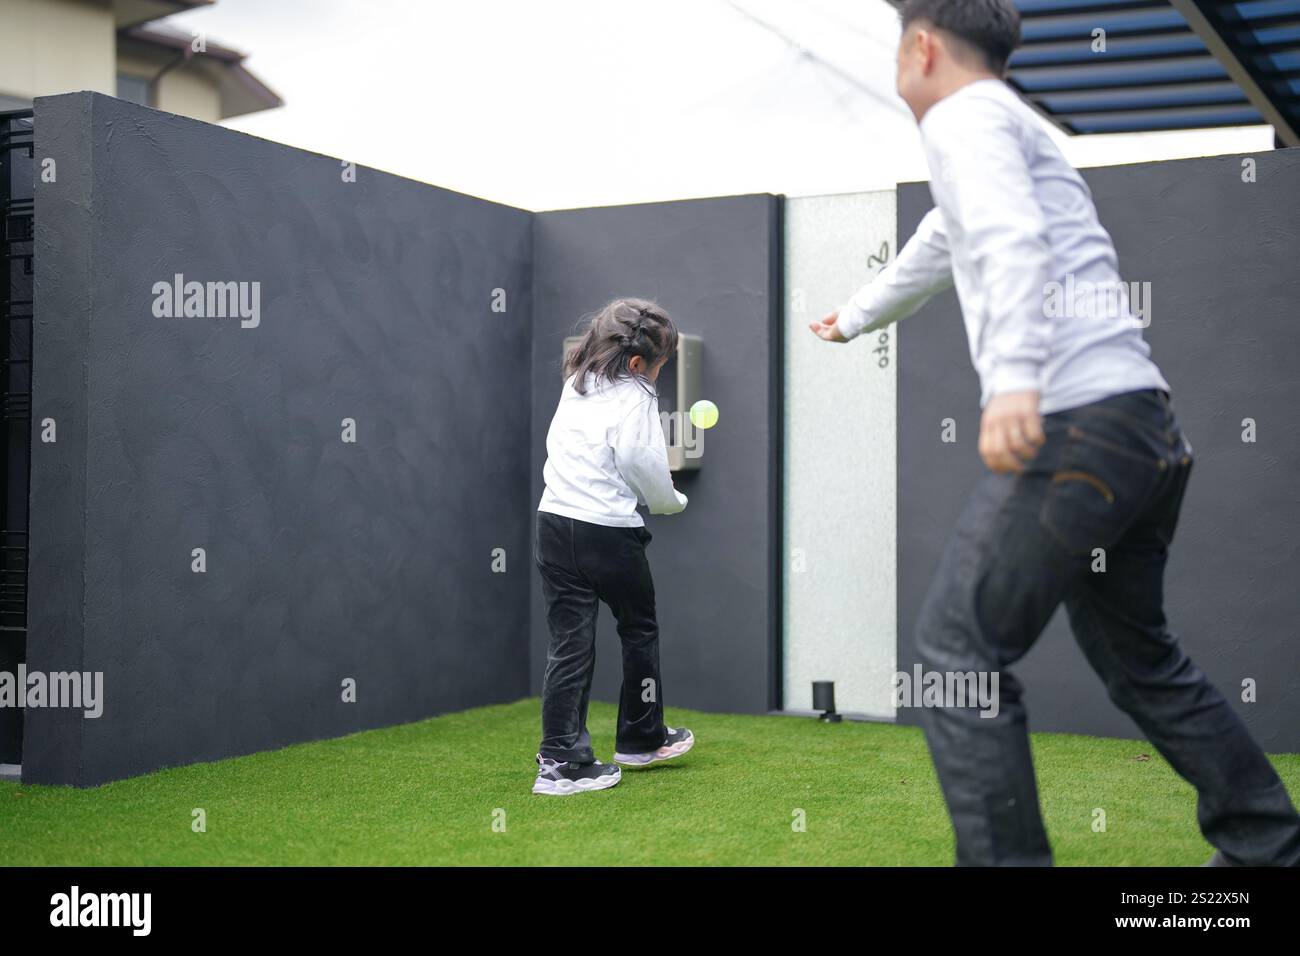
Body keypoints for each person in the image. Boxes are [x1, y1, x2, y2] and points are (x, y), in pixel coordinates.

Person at [812, 0, 1300, 865]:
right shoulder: (1008, 127)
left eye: (897, 47)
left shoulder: (965, 119)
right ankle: (1269, 843)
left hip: (1079, 423)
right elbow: (941, 244)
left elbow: (1009, 240)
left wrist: (1013, 384)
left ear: (922, 48)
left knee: (956, 654)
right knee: (1137, 658)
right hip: (1141, 429)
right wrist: (854, 316)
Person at [532, 297, 696, 796]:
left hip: (554, 525)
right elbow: (639, 461)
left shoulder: (576, 382)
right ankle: (642, 738)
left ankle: (559, 760)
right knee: (639, 629)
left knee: (569, 644)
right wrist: (669, 502)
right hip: (608, 532)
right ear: (637, 363)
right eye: (660, 366)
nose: (659, 375)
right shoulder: (637, 395)